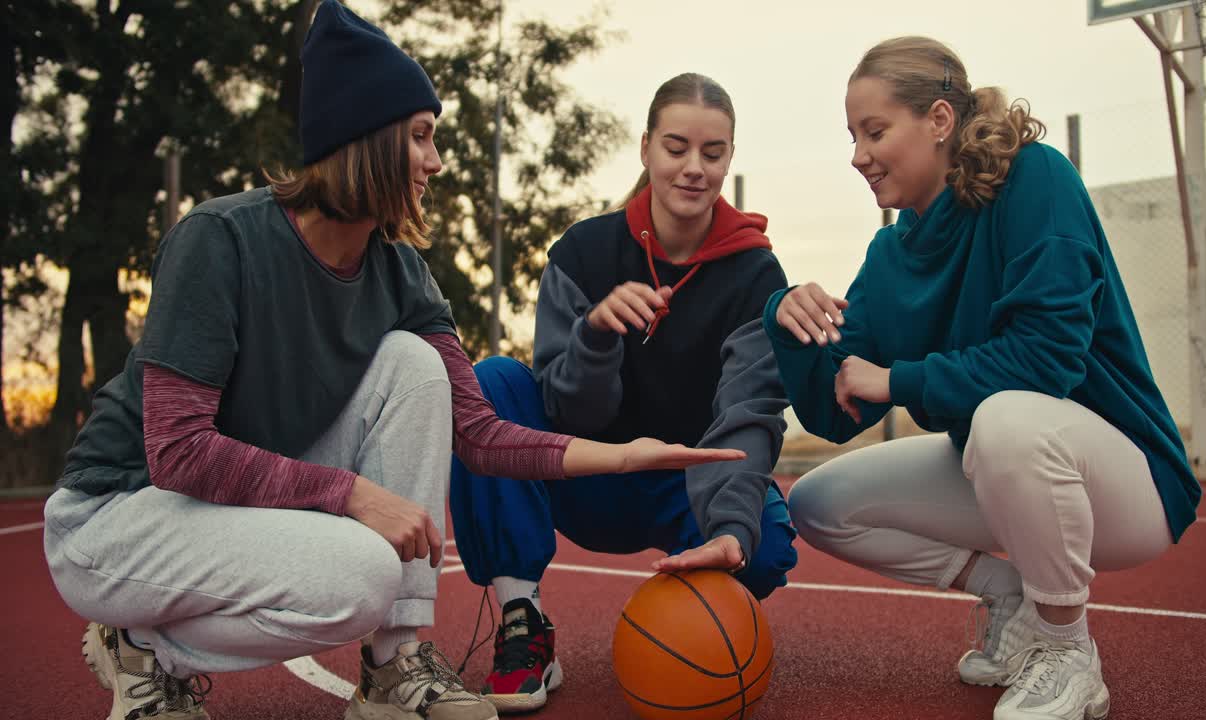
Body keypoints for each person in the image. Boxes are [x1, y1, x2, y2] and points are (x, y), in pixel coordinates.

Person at [41, 5, 744, 720]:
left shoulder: (401, 275)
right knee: (361, 574)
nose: (436, 161)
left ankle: (393, 665)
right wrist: (352, 494)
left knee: (415, 363)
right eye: (420, 137)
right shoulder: (219, 240)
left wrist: (623, 457)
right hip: (120, 514)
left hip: (226, 504)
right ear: (364, 138)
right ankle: (142, 649)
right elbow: (179, 452)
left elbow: (478, 433)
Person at [768, 37, 1199, 720]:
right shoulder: (890, 253)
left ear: (939, 120)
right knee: (818, 503)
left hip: (1128, 482)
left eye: (875, 131)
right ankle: (1012, 598)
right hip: (998, 463)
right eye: (852, 137)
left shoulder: (1036, 180)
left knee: (1006, 419)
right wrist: (785, 319)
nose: (858, 155)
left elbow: (1046, 359)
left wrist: (899, 381)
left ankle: (1066, 649)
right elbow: (832, 409)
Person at [448, 72, 799, 713]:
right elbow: (563, 411)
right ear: (645, 149)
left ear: (728, 158)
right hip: (584, 474)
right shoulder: (583, 252)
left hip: (681, 481)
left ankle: (692, 616)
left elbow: (749, 410)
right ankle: (523, 622)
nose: (694, 168)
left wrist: (729, 530)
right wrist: (597, 335)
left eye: (712, 152)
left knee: (766, 548)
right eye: (676, 147)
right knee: (494, 380)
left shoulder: (756, 273)